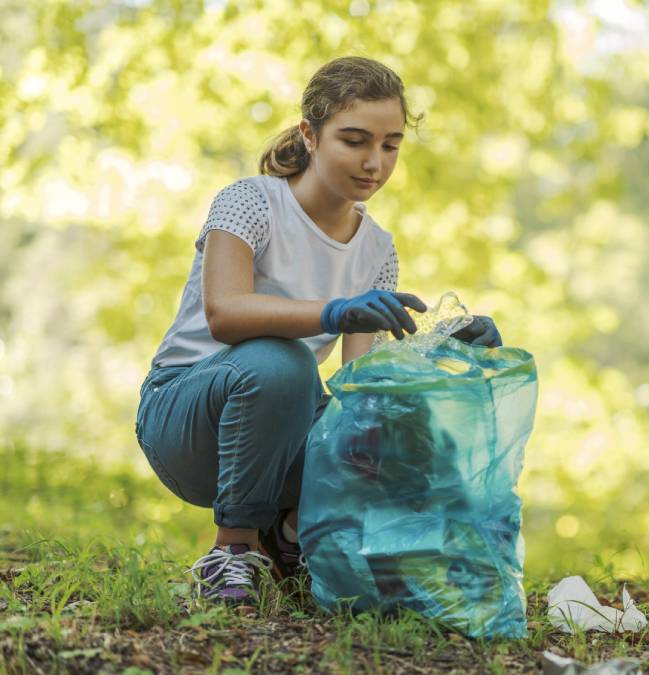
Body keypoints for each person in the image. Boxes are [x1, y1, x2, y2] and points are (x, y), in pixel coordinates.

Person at [134, 57, 503, 605]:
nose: (374, 163)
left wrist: (438, 351)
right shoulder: (250, 202)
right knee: (283, 362)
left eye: (390, 144)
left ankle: (288, 534)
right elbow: (225, 313)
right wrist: (333, 312)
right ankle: (231, 552)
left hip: (276, 436)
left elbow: (359, 388)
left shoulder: (377, 249)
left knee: (393, 422)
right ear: (309, 134)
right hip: (186, 418)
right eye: (354, 140)